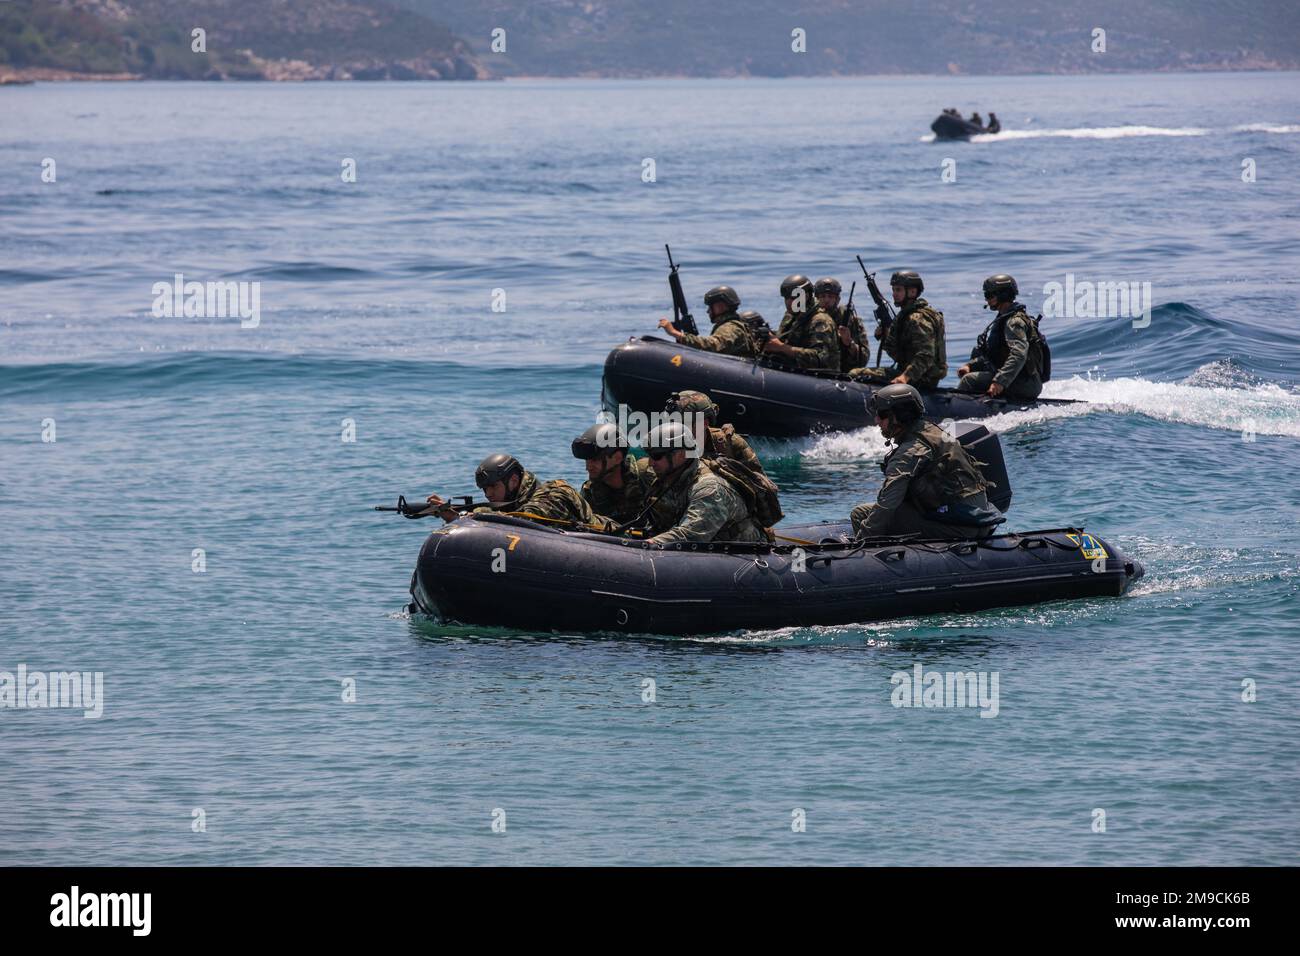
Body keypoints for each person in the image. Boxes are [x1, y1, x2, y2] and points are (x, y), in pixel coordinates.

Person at [849, 385, 1003, 540]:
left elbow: (888, 503)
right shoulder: (933, 432)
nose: (877, 420)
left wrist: (861, 541)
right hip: (977, 519)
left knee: (860, 514)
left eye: (882, 415)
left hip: (960, 528)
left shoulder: (910, 451)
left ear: (900, 415)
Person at [642, 422, 767, 546]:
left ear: (681, 454)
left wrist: (648, 544)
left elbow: (691, 535)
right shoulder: (669, 480)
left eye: (656, 456)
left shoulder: (709, 488)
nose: (651, 463)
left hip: (740, 554)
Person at [424, 453, 594, 526]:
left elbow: (527, 520)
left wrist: (461, 517)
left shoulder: (553, 494)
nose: (488, 494)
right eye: (484, 489)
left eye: (492, 487)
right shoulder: (513, 504)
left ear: (513, 481)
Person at [848, 270, 948, 388]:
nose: (894, 294)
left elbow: (926, 355)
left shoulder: (917, 319)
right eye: (893, 289)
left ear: (912, 291)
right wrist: (886, 335)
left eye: (898, 290)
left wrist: (905, 377)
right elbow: (900, 355)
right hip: (916, 375)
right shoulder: (905, 315)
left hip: (921, 378)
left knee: (854, 374)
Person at [957, 274, 1045, 401]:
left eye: (989, 295)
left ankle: (957, 410)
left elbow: (1019, 354)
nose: (987, 300)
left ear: (1003, 295)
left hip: (1026, 383)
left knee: (969, 380)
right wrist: (970, 366)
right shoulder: (1004, 318)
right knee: (971, 373)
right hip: (1018, 378)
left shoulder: (1013, 322)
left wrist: (1000, 381)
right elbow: (996, 354)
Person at [570, 422, 655, 527]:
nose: (588, 467)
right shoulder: (590, 491)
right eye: (587, 460)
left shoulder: (647, 476)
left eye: (595, 460)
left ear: (617, 458)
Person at [663, 389, 766, 474]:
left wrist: (728, 473)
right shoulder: (665, 446)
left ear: (704, 423)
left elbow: (764, 488)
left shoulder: (730, 444)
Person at [658, 285, 760, 358]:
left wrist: (676, 334)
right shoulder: (732, 325)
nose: (708, 311)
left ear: (721, 306)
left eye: (711, 306)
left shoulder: (731, 327)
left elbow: (713, 345)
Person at [764, 274, 840, 370]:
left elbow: (820, 358)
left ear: (806, 296)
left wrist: (781, 348)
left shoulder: (820, 320)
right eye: (786, 298)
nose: (788, 302)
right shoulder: (791, 315)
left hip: (821, 377)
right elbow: (785, 339)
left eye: (793, 298)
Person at [812, 276, 870, 372]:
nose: (826, 300)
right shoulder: (810, 318)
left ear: (837, 299)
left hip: (843, 372)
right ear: (816, 298)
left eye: (830, 296)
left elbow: (864, 359)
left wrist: (849, 343)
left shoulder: (850, 320)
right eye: (822, 296)